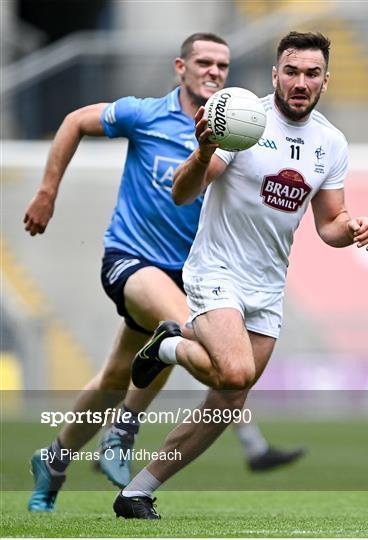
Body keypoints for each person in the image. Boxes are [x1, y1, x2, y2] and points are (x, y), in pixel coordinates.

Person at [24, 32, 304, 513]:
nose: (215, 72)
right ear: (181, 67)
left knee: (114, 376)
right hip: (130, 259)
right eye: (205, 62)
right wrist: (48, 192)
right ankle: (126, 432)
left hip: (191, 273)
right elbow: (74, 121)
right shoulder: (144, 114)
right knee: (183, 330)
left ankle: (53, 461)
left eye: (223, 65)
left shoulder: (235, 133)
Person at [118, 30, 368, 519]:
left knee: (228, 398)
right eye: (293, 71)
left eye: (312, 73)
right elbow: (182, 192)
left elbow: (329, 224)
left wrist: (354, 227)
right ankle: (171, 343)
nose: (301, 82)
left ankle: (137, 491)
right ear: (275, 73)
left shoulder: (331, 143)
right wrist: (200, 151)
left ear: (326, 80)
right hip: (216, 270)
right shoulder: (239, 117)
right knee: (235, 371)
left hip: (268, 285)